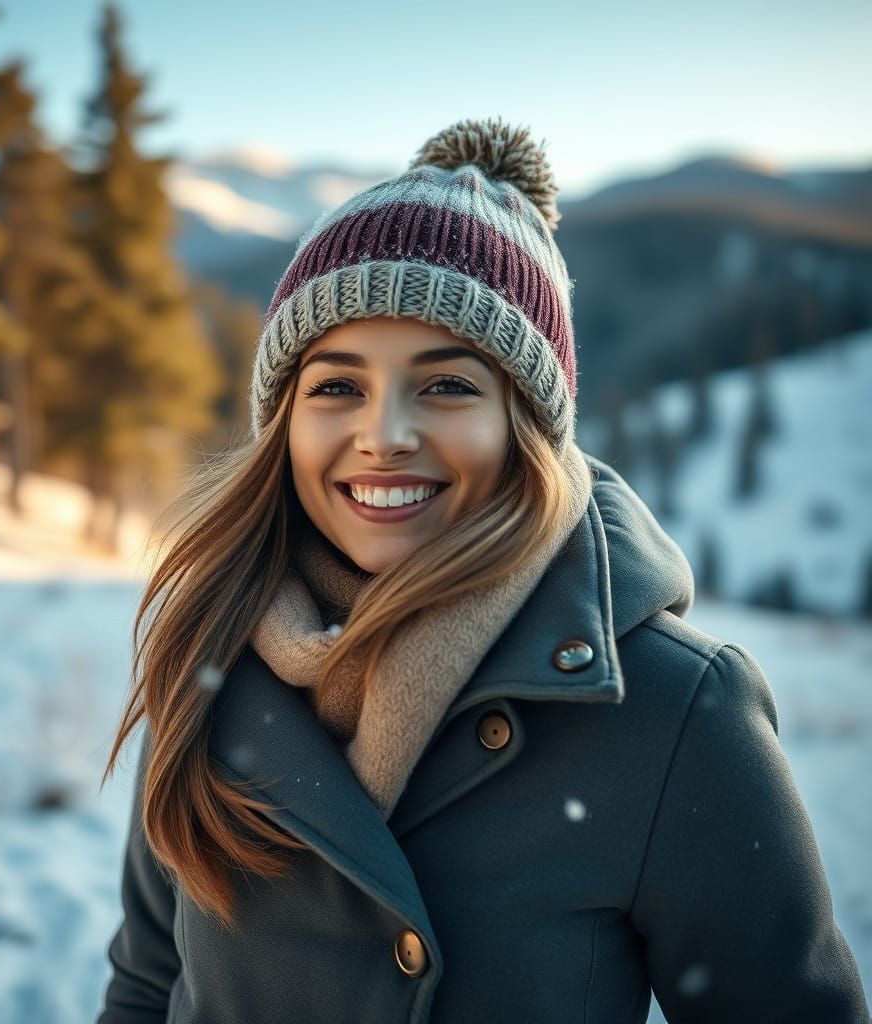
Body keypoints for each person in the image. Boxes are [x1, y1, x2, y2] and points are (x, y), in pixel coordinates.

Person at [96, 117, 870, 1023]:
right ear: (284, 422)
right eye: (337, 385)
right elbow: (147, 984)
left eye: (448, 385)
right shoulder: (210, 656)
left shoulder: (673, 713)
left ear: (525, 426)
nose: (384, 435)